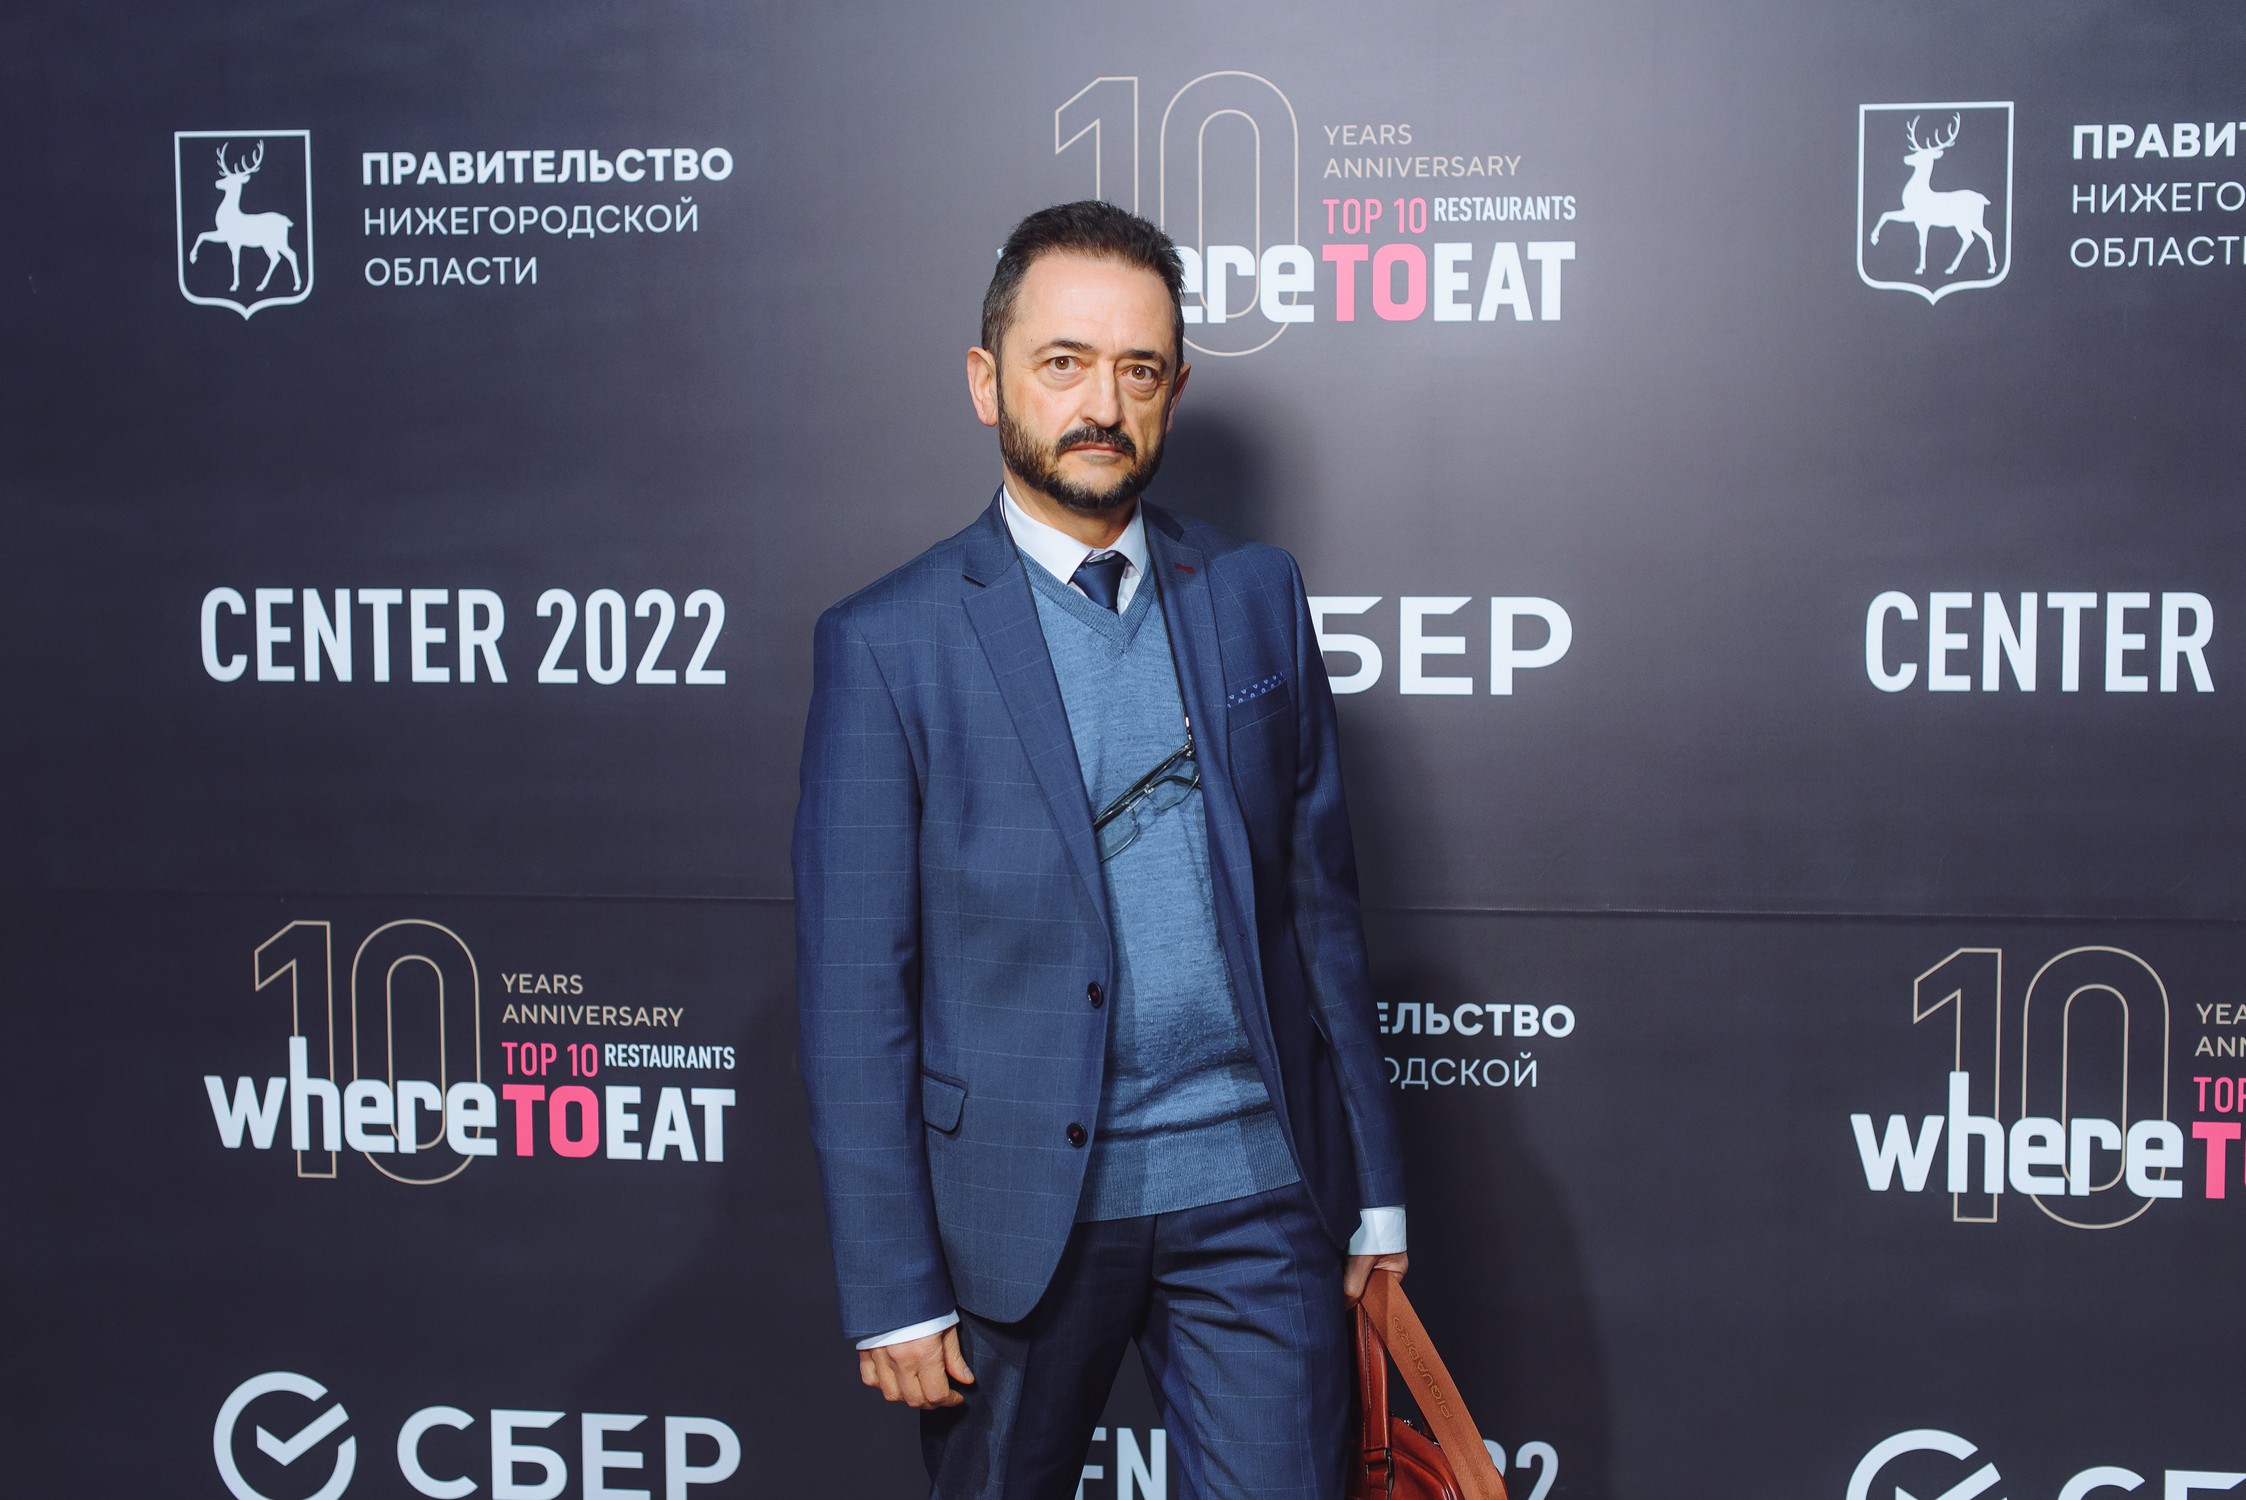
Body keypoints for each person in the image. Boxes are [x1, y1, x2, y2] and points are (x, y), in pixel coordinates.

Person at [793, 200, 1406, 1500]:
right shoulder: (888, 642)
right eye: (1062, 362)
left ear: (1174, 391)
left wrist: (1376, 1187)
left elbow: (1320, 907)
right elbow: (854, 991)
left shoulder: (1254, 594)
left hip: (1255, 1191)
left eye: (1138, 369)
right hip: (1014, 1215)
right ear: (986, 381)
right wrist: (890, 1281)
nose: (1101, 405)